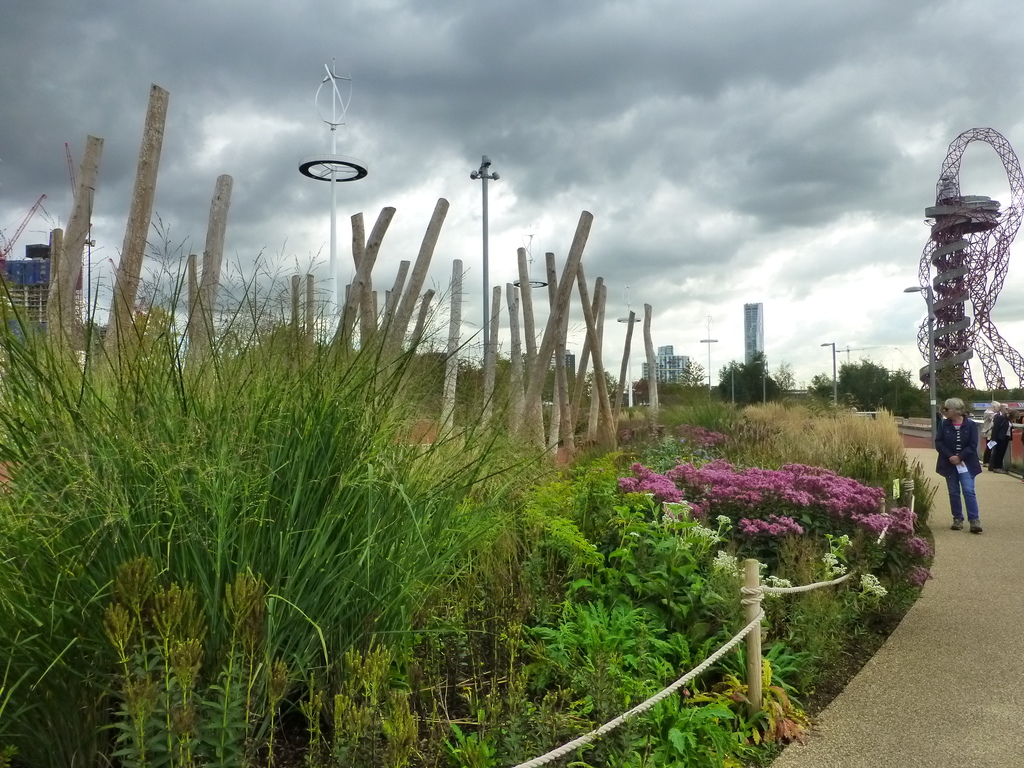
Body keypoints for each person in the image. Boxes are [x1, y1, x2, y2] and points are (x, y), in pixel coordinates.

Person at [935, 397, 983, 533]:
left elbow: (973, 445)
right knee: (954, 492)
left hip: (966, 463)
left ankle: (974, 520)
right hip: (949, 463)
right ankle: (957, 518)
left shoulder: (971, 425)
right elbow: (939, 442)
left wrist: (960, 457)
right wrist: (950, 456)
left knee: (968, 490)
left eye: (947, 409)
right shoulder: (943, 424)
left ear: (956, 410)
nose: (944, 411)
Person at [989, 404, 1012, 473]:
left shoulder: (1006, 417)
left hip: (1005, 436)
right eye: (1006, 408)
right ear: (1001, 408)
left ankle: (999, 466)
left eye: (1008, 408)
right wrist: (993, 438)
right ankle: (996, 467)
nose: (1007, 409)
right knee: (998, 452)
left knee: (1002, 452)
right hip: (1000, 437)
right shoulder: (999, 416)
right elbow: (995, 428)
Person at [981, 401, 1000, 465]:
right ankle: (986, 461)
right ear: (994, 407)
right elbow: (996, 417)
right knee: (989, 446)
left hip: (988, 431)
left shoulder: (987, 412)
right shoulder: (989, 413)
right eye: (998, 407)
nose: (998, 409)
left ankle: (987, 461)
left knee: (989, 446)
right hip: (989, 432)